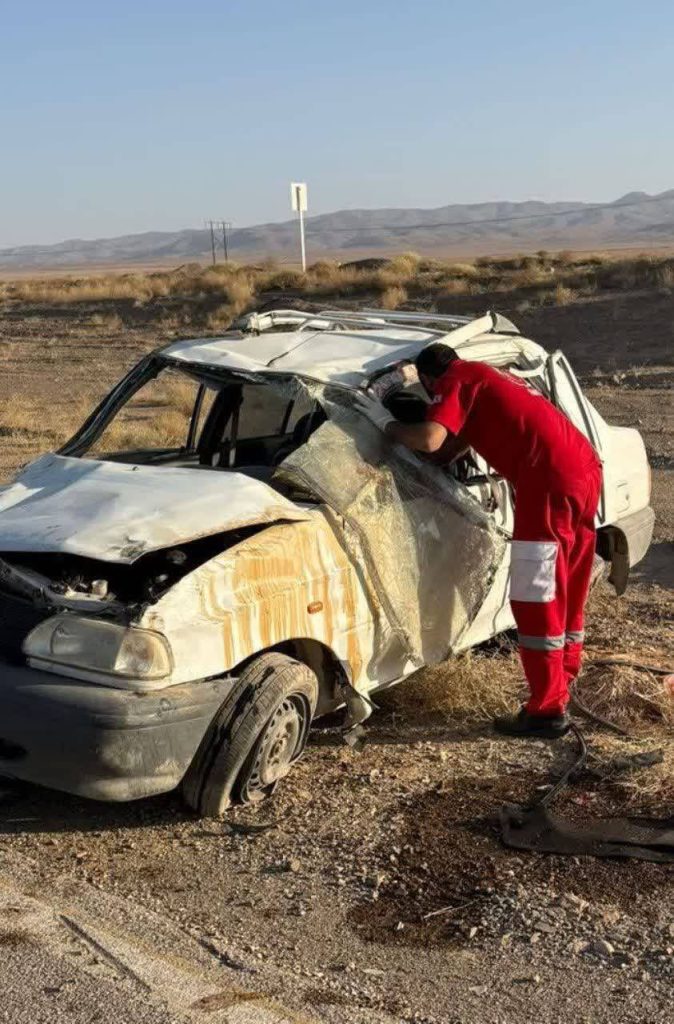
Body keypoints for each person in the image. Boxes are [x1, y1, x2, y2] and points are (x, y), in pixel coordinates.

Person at [356, 343, 603, 739]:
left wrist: (385, 424)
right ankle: (563, 680)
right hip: (583, 470)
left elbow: (431, 439)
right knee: (568, 584)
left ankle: (547, 710)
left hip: (547, 483)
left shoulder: (457, 379)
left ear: (431, 380)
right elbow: (445, 452)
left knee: (535, 594)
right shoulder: (486, 377)